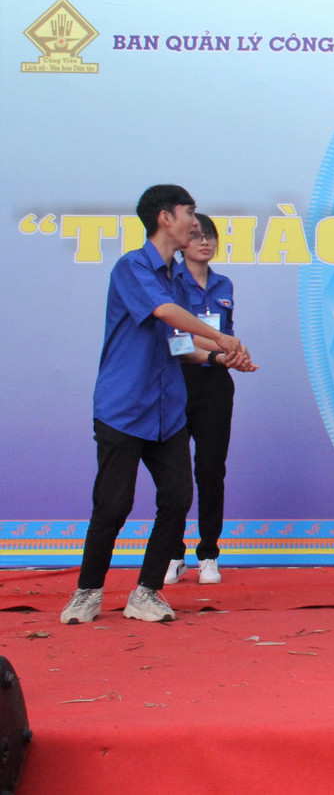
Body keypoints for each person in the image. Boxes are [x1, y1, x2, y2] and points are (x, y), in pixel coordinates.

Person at [60, 185, 250, 625]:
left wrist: (221, 357)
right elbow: (164, 313)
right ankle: (87, 591)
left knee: (178, 497)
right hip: (124, 407)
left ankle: (146, 591)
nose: (195, 224)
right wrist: (221, 337)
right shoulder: (132, 267)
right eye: (189, 213)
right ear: (165, 218)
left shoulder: (176, 279)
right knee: (113, 505)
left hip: (167, 412)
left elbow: (178, 344)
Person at [165, 213, 246, 586]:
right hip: (177, 383)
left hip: (215, 385)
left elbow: (226, 334)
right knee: (175, 474)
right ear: (183, 241)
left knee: (211, 471)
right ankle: (172, 553)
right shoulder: (170, 282)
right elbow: (173, 342)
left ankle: (209, 554)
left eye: (210, 236)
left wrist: (235, 357)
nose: (204, 242)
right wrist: (215, 354)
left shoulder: (223, 284)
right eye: (197, 235)